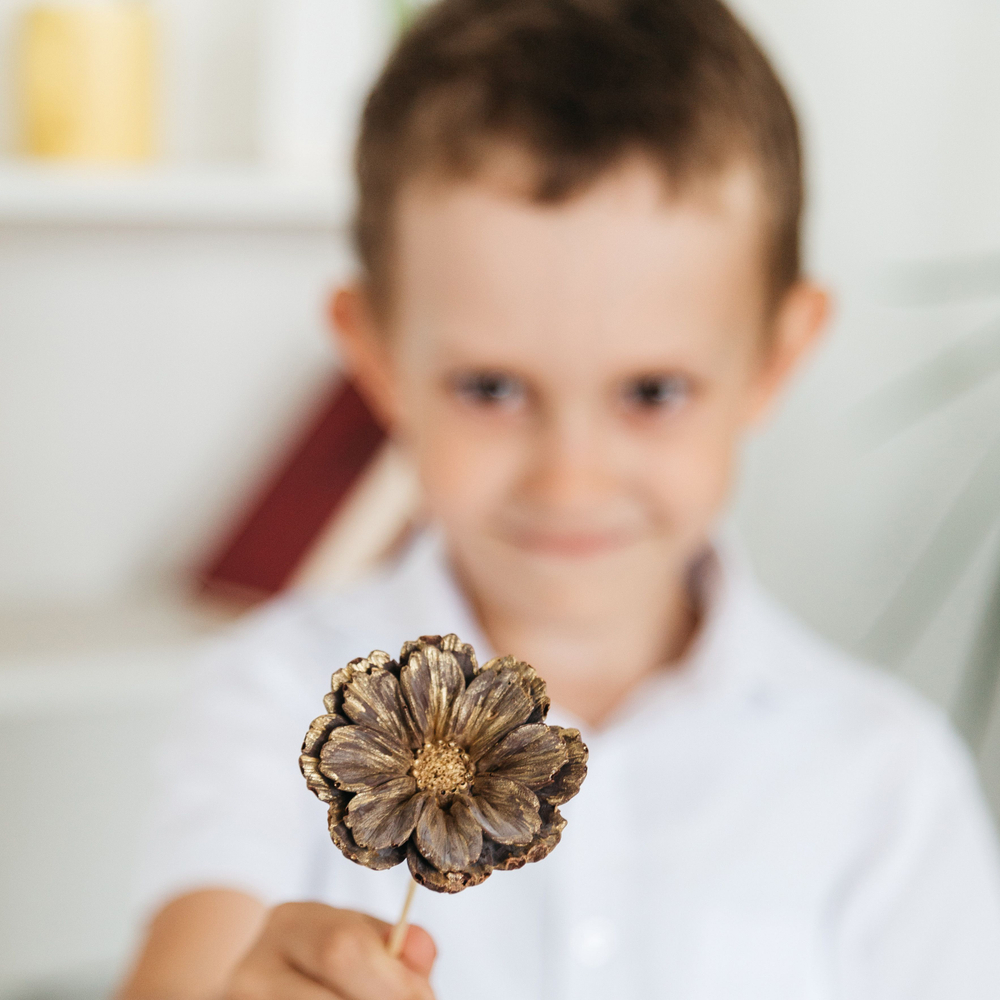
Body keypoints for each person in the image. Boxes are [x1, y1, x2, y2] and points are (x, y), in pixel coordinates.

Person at [117, 1, 1000, 998]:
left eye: (651, 393)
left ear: (775, 356)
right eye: (491, 388)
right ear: (375, 357)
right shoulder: (272, 701)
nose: (569, 480)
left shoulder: (888, 783)